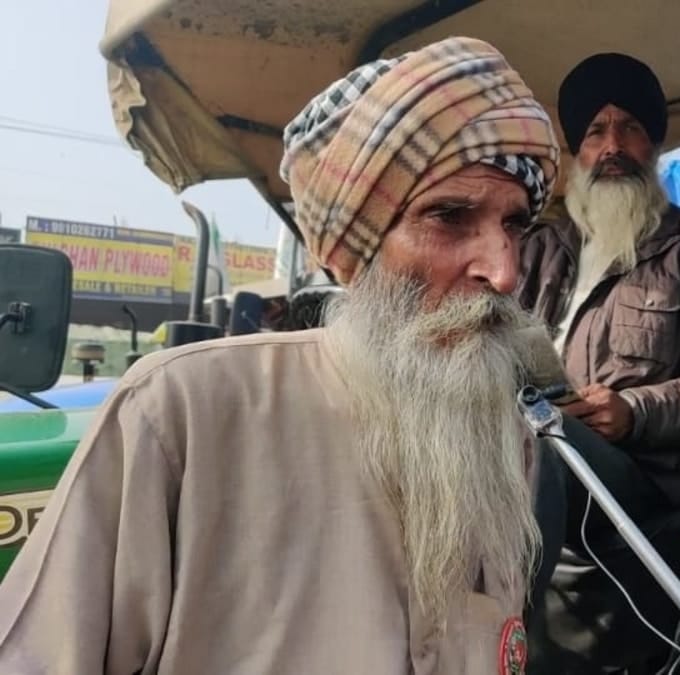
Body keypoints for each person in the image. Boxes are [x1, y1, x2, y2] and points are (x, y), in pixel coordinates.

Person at [0, 36, 559, 675]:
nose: (504, 270)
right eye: (449, 217)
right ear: (356, 247)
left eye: (514, 225)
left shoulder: (508, 432)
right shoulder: (182, 410)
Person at [517, 52, 680, 670]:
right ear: (576, 149)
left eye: (630, 127)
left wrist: (634, 410)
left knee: (549, 457)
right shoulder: (537, 249)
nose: (613, 145)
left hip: (650, 479)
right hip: (533, 452)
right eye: (597, 130)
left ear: (652, 144)